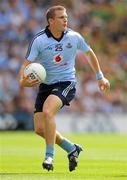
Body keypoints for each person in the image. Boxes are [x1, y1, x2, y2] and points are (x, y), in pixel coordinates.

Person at [19, 5, 110, 172]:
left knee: (48, 111)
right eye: (61, 17)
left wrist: (100, 76)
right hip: (46, 85)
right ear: (51, 21)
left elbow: (89, 53)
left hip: (66, 82)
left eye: (66, 16)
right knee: (39, 129)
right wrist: (22, 81)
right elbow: (25, 66)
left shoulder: (74, 37)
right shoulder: (39, 40)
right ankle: (71, 148)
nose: (65, 19)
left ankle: (49, 156)